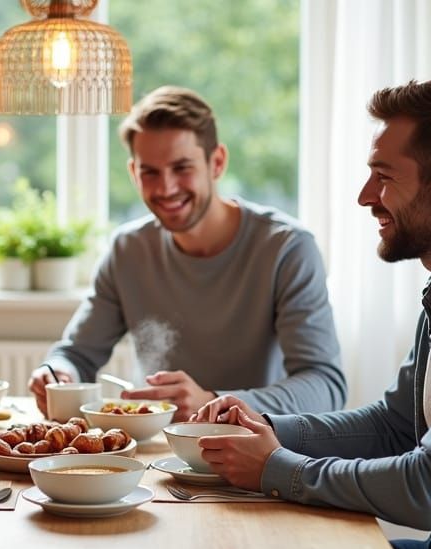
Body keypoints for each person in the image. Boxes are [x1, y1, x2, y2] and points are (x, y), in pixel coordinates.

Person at [192, 81, 431, 549]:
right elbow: (393, 426)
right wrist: (268, 427)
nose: (366, 197)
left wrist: (276, 468)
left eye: (383, 177)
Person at [28, 85, 346, 421]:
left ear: (217, 162)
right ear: (134, 173)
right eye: (150, 172)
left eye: (182, 167)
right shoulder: (128, 250)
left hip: (254, 453)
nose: (166, 188)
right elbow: (76, 355)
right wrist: (57, 373)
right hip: (153, 451)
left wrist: (213, 401)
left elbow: (325, 386)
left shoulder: (287, 249)